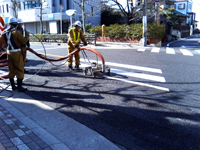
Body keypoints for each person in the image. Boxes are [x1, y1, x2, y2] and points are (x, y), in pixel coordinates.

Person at [0, 17, 29, 92]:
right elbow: (23, 42)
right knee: (20, 69)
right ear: (16, 24)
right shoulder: (16, 32)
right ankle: (19, 87)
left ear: (9, 24)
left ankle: (13, 86)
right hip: (16, 52)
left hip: (9, 53)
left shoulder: (4, 32)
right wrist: (27, 35)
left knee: (11, 69)